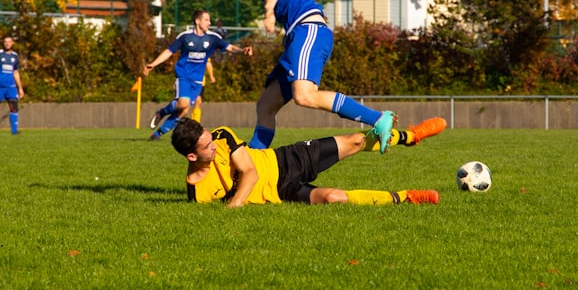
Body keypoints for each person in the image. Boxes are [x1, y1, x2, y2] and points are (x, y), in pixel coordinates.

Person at [225, 0, 408, 153]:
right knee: (266, 104)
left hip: (308, 29)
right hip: (300, 35)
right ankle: (253, 161)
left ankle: (379, 118)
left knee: (304, 95)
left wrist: (269, 11)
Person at [170, 117, 442, 207]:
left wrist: (234, 206)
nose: (214, 146)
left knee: (357, 140)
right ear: (191, 156)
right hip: (281, 192)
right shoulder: (197, 193)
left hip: (285, 160)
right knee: (335, 198)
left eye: (210, 138)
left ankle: (410, 135)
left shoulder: (221, 135)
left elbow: (250, 172)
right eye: (207, 146)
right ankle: (407, 198)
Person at [145, 9, 253, 141]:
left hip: (197, 80)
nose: (209, 22)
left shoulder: (213, 38)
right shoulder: (185, 37)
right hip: (183, 75)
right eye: (206, 20)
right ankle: (161, 112)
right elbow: (169, 51)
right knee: (183, 104)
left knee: (184, 111)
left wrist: (242, 51)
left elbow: (230, 47)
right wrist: (153, 64)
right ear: (197, 21)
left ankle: (157, 134)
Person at [0, 34, 24, 135]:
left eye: (9, 42)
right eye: (5, 42)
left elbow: (16, 72)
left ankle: (14, 131)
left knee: (14, 106)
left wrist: (20, 88)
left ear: (12, 43)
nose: (7, 44)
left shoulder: (15, 56)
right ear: (3, 43)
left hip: (11, 86)